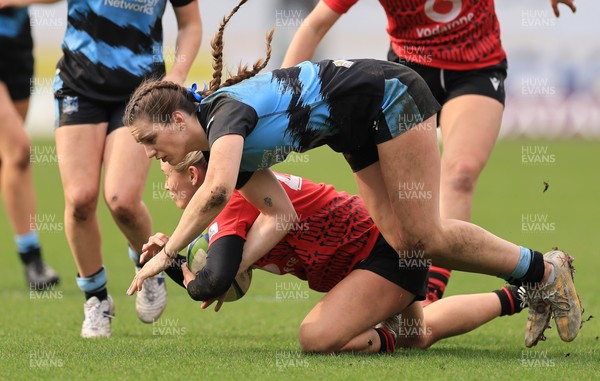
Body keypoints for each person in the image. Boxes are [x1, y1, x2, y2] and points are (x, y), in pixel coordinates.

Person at [124, 0, 582, 348]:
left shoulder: (224, 117)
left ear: (179, 122)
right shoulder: (227, 140)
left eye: (149, 142)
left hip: (390, 95)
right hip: (357, 131)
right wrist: (227, 269)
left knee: (421, 236)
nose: (149, 155)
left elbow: (216, 191)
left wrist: (173, 253)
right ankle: (526, 285)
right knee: (406, 247)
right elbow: (280, 215)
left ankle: (541, 270)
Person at [280, 0, 577, 306]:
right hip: (409, 75)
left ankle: (430, 294)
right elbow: (315, 24)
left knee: (460, 174)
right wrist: (284, 98)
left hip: (476, 70)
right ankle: (402, 287)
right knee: (399, 205)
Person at [148, 152, 539, 353]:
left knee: (316, 338)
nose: (165, 186)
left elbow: (218, 282)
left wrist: (173, 263)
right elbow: (227, 276)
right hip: (371, 253)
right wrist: (176, 258)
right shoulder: (234, 193)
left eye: (165, 173)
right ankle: (522, 294)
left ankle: (520, 275)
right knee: (417, 334)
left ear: (194, 174)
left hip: (382, 252)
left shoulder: (228, 203)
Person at [2, 0, 202, 337]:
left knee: (122, 201)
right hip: (78, 85)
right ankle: (96, 299)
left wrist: (177, 75)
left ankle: (148, 266)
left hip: (140, 92)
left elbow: (191, 23)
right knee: (79, 200)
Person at [0, 7, 60, 289]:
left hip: (18, 48)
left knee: (10, 159)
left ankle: (31, 257)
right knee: (19, 149)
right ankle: (31, 257)